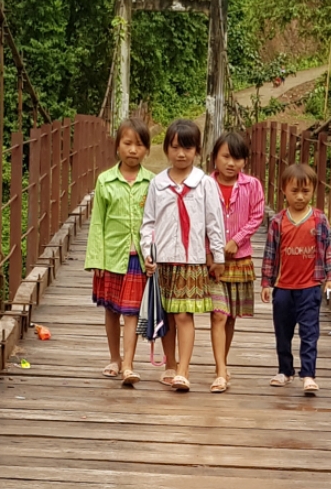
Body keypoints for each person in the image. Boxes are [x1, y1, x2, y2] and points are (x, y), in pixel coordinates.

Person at [140, 119, 226, 393]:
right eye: (175, 147)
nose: (181, 154)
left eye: (187, 148)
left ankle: (183, 370)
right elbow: (148, 222)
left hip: (191, 261)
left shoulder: (205, 184)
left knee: (183, 315)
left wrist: (218, 257)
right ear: (166, 148)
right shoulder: (158, 184)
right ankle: (170, 363)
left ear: (197, 151)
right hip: (163, 259)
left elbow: (214, 222)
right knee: (166, 314)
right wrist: (147, 252)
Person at [84, 117, 154, 386]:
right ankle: (114, 358)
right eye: (127, 143)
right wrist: (96, 258)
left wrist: (155, 255)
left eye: (139, 145)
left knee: (131, 311)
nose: (133, 150)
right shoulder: (105, 181)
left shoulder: (153, 182)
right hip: (111, 256)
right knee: (111, 310)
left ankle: (128, 364)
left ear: (147, 149)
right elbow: (97, 222)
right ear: (117, 146)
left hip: (139, 257)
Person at [261, 161, 331, 394]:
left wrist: (330, 277)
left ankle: (308, 374)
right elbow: (270, 253)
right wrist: (266, 282)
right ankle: (285, 370)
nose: (300, 197)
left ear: (313, 190)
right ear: (284, 190)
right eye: (294, 191)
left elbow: (328, 249)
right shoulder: (278, 222)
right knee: (282, 331)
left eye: (306, 191)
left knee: (309, 332)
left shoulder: (319, 220)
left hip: (310, 286)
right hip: (283, 287)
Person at [207, 131, 265, 394]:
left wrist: (237, 240)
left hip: (239, 259)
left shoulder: (252, 185)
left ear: (245, 161)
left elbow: (257, 216)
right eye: (226, 157)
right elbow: (199, 219)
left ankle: (222, 362)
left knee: (230, 317)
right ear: (215, 157)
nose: (231, 163)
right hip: (213, 260)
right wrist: (211, 254)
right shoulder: (205, 184)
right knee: (218, 314)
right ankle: (221, 371)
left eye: (238, 158)